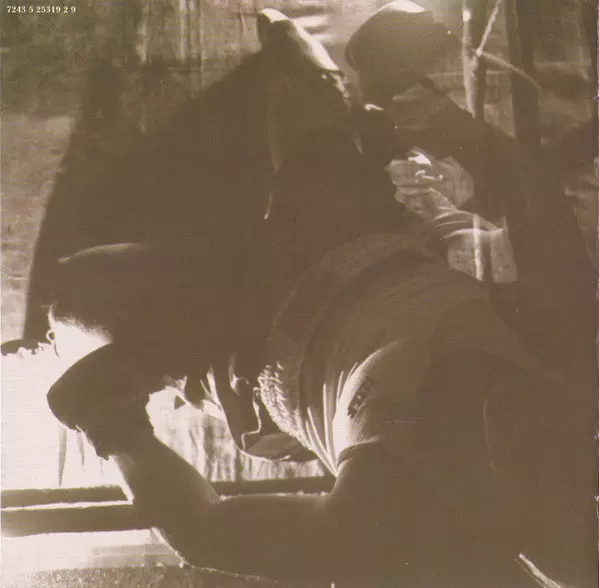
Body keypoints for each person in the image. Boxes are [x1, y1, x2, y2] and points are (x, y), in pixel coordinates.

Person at [46, 7, 595, 588]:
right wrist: (422, 109)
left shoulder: (400, 511)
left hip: (257, 358)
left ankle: (362, 107)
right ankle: (368, 97)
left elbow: (204, 529)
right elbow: (528, 190)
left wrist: (114, 426)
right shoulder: (568, 348)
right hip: (355, 244)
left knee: (75, 300)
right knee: (294, 62)